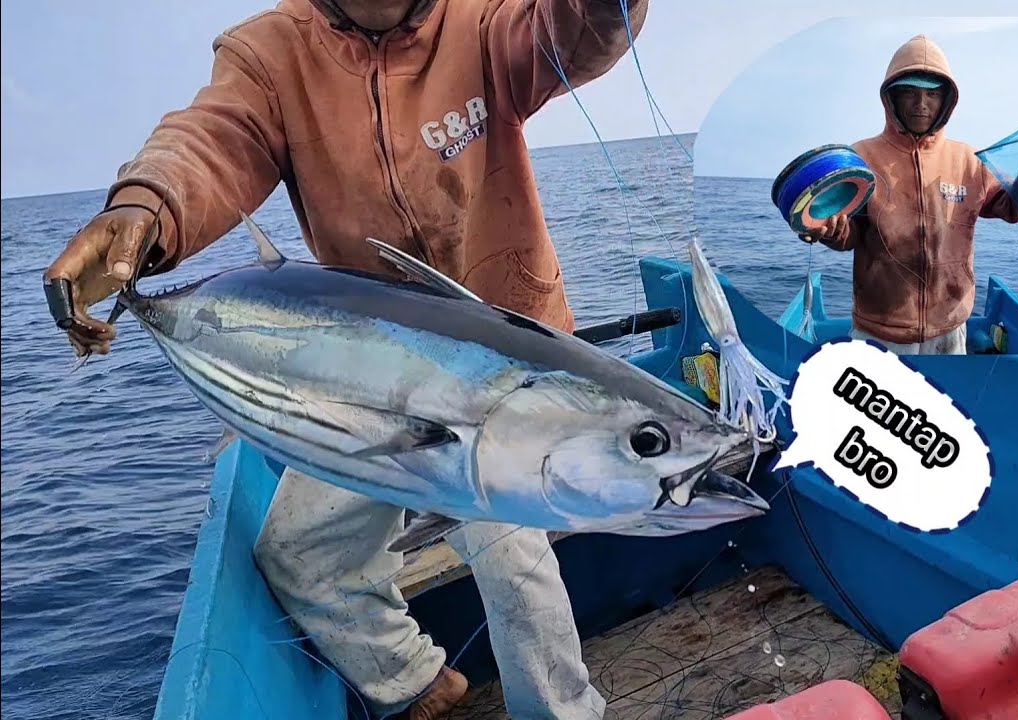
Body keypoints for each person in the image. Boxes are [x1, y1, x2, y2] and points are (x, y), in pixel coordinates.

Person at [41, 0, 649, 717]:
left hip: (510, 384)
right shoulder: (270, 53)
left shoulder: (482, 22)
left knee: (509, 551)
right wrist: (143, 209)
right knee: (299, 552)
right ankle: (416, 681)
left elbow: (574, 30)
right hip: (367, 381)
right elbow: (211, 139)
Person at [802, 34, 1018, 355]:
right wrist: (833, 231)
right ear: (891, 98)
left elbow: (1013, 205)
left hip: (949, 329)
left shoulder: (969, 160)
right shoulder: (861, 157)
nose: (921, 104)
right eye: (910, 93)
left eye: (932, 94)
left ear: (946, 101)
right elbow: (851, 233)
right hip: (879, 332)